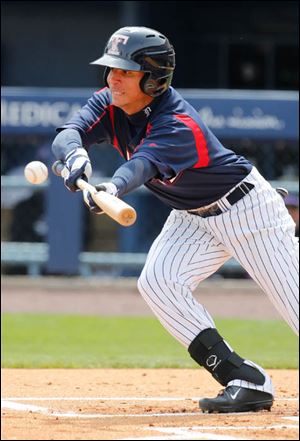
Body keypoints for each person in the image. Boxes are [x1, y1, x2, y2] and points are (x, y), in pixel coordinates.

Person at [51, 26, 299, 413]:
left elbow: (141, 166)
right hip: (192, 216)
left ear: (153, 78)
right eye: (111, 70)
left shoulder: (178, 124)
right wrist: (75, 157)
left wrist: (112, 190)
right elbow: (70, 132)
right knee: (159, 282)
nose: (113, 77)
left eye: (126, 72)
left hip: (249, 213)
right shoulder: (109, 102)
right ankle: (244, 379)